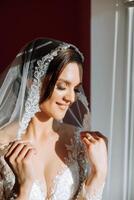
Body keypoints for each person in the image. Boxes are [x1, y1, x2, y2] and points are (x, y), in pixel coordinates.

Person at [0, 38, 108, 200]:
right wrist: (23, 188)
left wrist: (99, 173)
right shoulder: (2, 145)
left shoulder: (77, 142)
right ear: (32, 83)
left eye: (76, 89)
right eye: (62, 86)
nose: (71, 98)